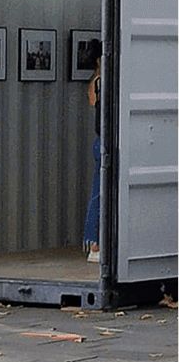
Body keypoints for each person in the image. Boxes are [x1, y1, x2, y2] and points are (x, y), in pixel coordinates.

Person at [83, 42, 102, 264]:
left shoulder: (95, 82)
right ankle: (94, 242)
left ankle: (94, 241)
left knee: (99, 191)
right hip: (105, 141)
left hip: (101, 140)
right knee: (99, 192)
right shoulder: (99, 81)